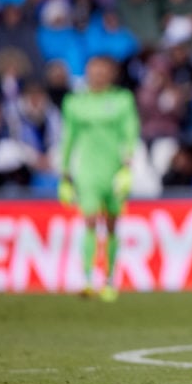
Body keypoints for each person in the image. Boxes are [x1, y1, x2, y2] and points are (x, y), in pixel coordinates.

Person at [58, 56, 140, 302]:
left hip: (113, 170)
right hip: (88, 171)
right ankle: (87, 279)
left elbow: (130, 132)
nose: (98, 75)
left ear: (111, 74)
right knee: (91, 220)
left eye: (102, 71)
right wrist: (64, 175)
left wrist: (126, 167)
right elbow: (68, 138)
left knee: (112, 223)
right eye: (93, 71)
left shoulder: (122, 100)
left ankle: (109, 279)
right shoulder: (74, 103)